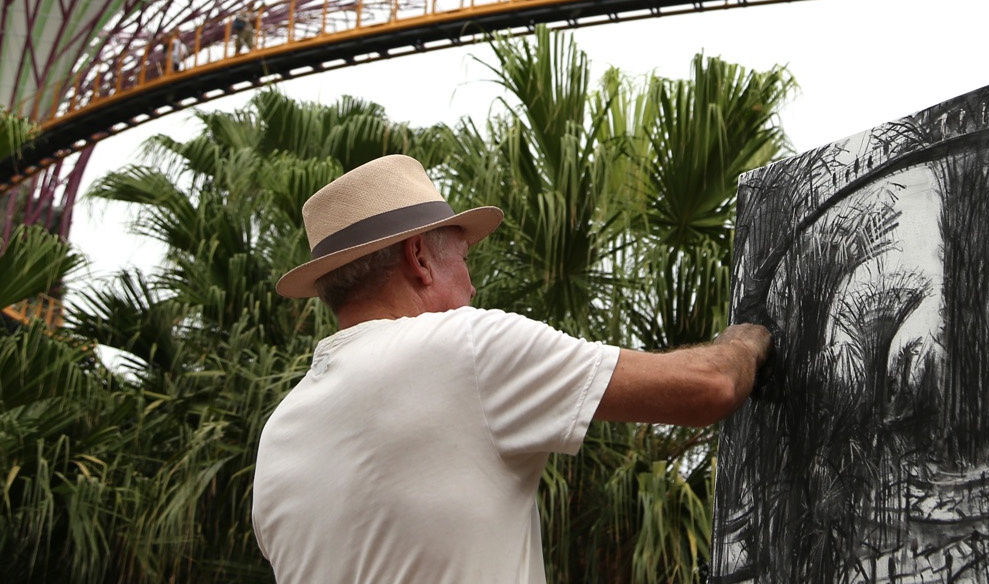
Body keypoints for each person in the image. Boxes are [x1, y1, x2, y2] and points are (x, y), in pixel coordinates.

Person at [251, 156, 772, 583]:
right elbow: (711, 387)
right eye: (464, 259)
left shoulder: (279, 434)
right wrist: (750, 336)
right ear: (419, 259)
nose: (472, 287)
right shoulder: (463, 347)